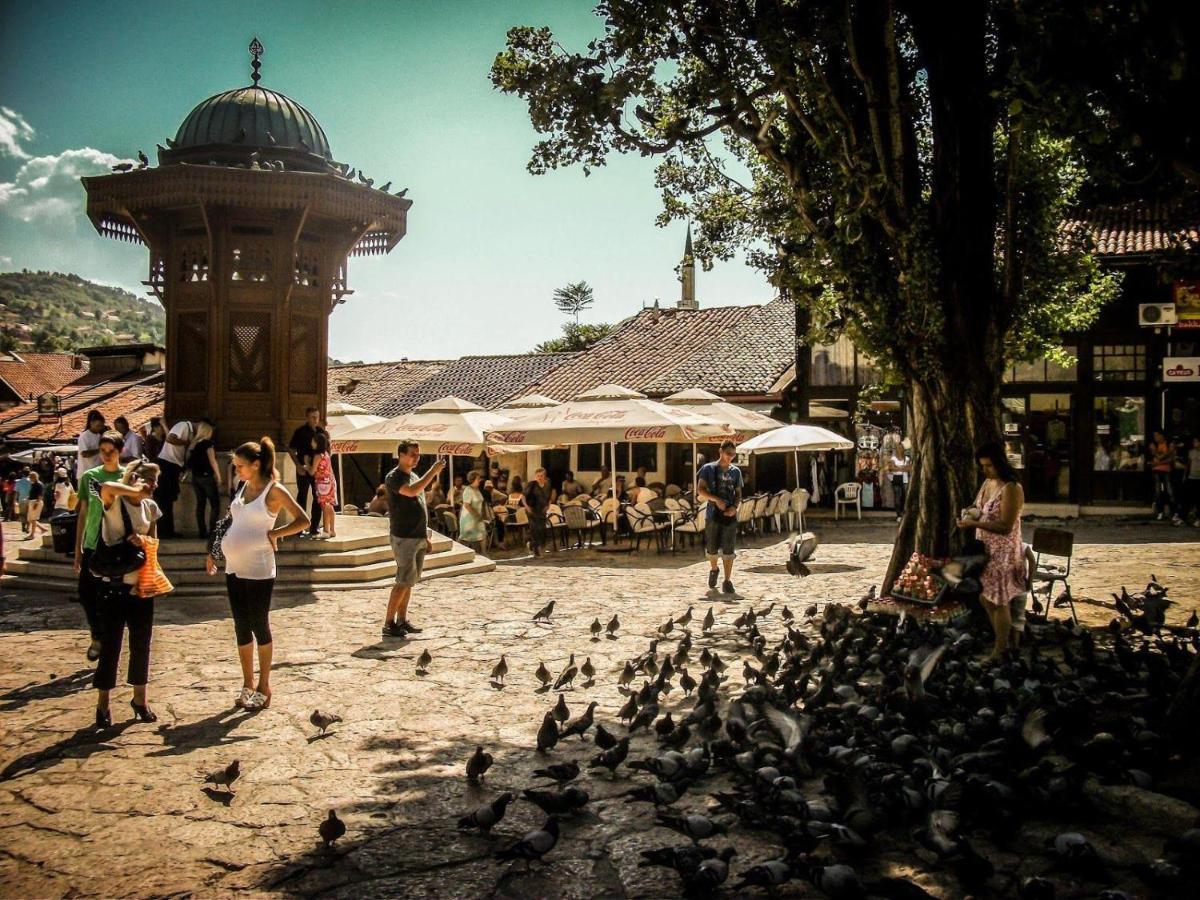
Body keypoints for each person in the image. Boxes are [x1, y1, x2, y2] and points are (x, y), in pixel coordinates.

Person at [205, 437, 308, 710]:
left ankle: (265, 684)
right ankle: (247, 682)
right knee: (240, 624)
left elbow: (303, 519)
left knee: (258, 623)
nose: (236, 470)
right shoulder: (242, 486)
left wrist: (277, 532)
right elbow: (231, 520)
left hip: (259, 567)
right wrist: (214, 550)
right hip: (235, 565)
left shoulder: (273, 490)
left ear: (256, 464)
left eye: (240, 465)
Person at [92, 461, 162, 728]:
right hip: (114, 583)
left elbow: (155, 545)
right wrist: (132, 488)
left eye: (155, 481)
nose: (152, 485)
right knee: (111, 645)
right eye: (148, 479)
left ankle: (140, 699)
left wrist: (143, 541)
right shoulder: (115, 501)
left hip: (141, 584)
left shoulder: (150, 508)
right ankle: (103, 703)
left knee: (141, 644)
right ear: (133, 477)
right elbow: (107, 487)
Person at [957, 442, 1026, 663]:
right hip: (986, 551)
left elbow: (1005, 525)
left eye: (988, 466)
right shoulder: (988, 483)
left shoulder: (1011, 488)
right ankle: (1003, 642)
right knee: (986, 598)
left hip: (1003, 552)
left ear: (999, 463)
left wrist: (974, 525)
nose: (985, 470)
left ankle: (1000, 650)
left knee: (998, 600)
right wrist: (968, 515)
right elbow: (979, 508)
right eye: (982, 466)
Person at [382, 441, 446, 638]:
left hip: (417, 535)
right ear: (400, 455)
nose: (415, 458)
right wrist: (433, 472)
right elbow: (411, 491)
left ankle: (402, 620)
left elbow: (421, 506)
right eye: (412, 454)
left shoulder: (414, 475)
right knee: (402, 581)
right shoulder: (394, 477)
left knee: (409, 581)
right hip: (404, 536)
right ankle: (388, 622)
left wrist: (425, 535)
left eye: (417, 454)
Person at [74, 430, 127, 662]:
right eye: (103, 451)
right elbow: (83, 512)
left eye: (111, 451)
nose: (106, 455)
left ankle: (109, 639)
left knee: (112, 596)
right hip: (93, 540)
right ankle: (97, 634)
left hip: (116, 543)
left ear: (119, 452)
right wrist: (78, 547)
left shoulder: (128, 478)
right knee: (86, 592)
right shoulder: (90, 477)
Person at [697, 440, 743, 595]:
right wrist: (716, 499)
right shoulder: (708, 469)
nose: (731, 457)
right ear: (720, 451)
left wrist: (735, 507)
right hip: (713, 514)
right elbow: (700, 490)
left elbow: (738, 493)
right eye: (728, 454)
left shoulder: (736, 471)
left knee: (729, 548)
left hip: (730, 514)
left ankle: (727, 580)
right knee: (712, 547)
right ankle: (714, 569)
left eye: (733, 455)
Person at [287, 406, 326, 538]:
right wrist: (298, 465)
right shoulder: (300, 432)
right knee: (301, 496)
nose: (316, 420)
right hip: (303, 469)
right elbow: (291, 449)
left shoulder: (322, 432)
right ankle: (299, 527)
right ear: (307, 417)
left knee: (318, 498)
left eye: (317, 417)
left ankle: (314, 528)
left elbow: (327, 451)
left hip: (317, 471)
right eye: (313, 417)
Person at [155, 417, 195, 538]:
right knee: (164, 500)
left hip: (173, 467)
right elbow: (170, 438)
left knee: (168, 500)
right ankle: (164, 531)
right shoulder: (184, 425)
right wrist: (187, 442)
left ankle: (168, 530)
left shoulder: (183, 429)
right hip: (167, 466)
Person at [188, 419, 222, 538]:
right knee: (215, 504)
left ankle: (202, 531)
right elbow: (212, 461)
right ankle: (212, 531)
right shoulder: (208, 444)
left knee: (200, 504)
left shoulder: (194, 444)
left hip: (195, 477)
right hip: (207, 476)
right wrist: (218, 475)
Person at [312, 432, 338, 539]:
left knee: (325, 506)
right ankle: (332, 529)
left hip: (322, 483)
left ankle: (326, 530)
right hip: (330, 481)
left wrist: (306, 464)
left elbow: (312, 470)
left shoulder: (318, 456)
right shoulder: (326, 454)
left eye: (313, 441)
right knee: (330, 506)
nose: (311, 442)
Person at [1149, 430, 1177, 523]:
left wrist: (1157, 461)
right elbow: (1156, 457)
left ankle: (1174, 512)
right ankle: (1160, 511)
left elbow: (1170, 459)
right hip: (1156, 470)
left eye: (1157, 435)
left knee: (1169, 491)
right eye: (1154, 436)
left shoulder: (1168, 444)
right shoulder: (1154, 445)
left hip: (1166, 470)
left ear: (1162, 436)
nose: (1155, 438)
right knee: (1158, 492)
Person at [458, 471, 488, 551]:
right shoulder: (468, 490)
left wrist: (482, 514)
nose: (480, 480)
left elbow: (481, 502)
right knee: (465, 538)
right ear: (473, 479)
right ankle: (458, 552)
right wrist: (476, 515)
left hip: (478, 518)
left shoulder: (477, 489)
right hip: (469, 519)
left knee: (482, 534)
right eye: (478, 478)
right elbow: (467, 505)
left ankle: (484, 553)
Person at [525, 467, 550, 557]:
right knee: (535, 530)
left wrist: (548, 505)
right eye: (538, 476)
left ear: (545, 476)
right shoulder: (531, 485)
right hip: (532, 510)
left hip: (542, 510)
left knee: (542, 530)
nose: (540, 477)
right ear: (535, 476)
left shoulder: (547, 485)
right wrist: (527, 507)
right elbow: (523, 496)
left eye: (541, 476)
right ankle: (537, 551)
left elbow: (549, 497)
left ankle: (531, 545)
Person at [77, 410, 106, 482]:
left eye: (101, 426)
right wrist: (100, 450)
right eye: (97, 426)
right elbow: (84, 454)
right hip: (85, 473)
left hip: (97, 473)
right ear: (91, 423)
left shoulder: (100, 436)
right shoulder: (84, 436)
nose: (99, 428)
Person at [889, 448, 911, 522]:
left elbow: (908, 469)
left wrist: (897, 467)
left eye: (901, 449)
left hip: (904, 479)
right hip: (896, 479)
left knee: (905, 496)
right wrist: (902, 468)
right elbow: (891, 468)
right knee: (897, 497)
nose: (899, 451)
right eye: (898, 449)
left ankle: (904, 514)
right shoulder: (893, 458)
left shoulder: (906, 458)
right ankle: (898, 515)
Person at [25, 471, 45, 541]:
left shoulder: (39, 484)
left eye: (30, 477)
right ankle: (43, 529)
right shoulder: (34, 484)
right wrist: (28, 498)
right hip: (32, 501)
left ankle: (32, 535)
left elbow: (40, 495)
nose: (30, 479)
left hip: (36, 502)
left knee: (33, 519)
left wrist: (36, 503)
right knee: (30, 519)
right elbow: (33, 494)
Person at [14, 467, 31, 535]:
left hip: (21, 500)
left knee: (22, 514)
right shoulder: (31, 481)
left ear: (22, 474)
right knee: (29, 514)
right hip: (30, 500)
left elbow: (16, 492)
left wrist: (15, 500)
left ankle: (23, 526)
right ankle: (28, 528)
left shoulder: (18, 482)